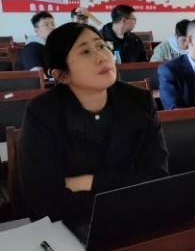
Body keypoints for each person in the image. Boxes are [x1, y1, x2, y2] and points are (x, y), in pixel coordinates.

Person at [19, 22, 168, 223]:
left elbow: (157, 176)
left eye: (101, 46)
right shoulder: (43, 113)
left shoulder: (139, 101)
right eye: (86, 52)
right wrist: (125, 187)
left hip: (137, 217)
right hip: (72, 224)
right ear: (61, 75)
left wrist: (88, 182)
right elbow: (44, 199)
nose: (102, 57)